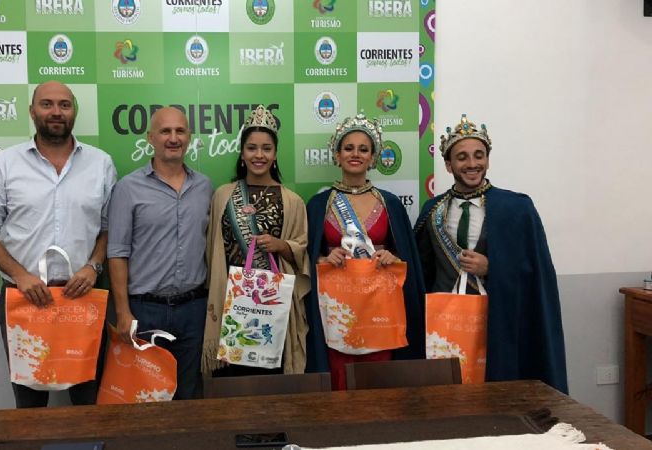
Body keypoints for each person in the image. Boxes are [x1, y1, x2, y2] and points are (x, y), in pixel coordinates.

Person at [0, 81, 117, 408]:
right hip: (25, 299)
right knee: (30, 405)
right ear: (32, 111)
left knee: (87, 400)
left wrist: (94, 266)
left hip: (82, 298)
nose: (56, 112)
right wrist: (21, 275)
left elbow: (109, 229)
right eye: (47, 104)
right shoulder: (6, 164)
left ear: (74, 112)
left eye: (64, 105)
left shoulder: (101, 164)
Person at [414, 114, 568, 393]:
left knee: (494, 394)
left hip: (498, 323)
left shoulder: (516, 209)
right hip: (444, 324)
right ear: (449, 165)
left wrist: (493, 267)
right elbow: (420, 270)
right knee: (446, 396)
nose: (472, 164)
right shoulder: (432, 211)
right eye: (462, 157)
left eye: (479, 155)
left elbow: (537, 274)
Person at [304, 113, 425, 390]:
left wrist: (394, 259)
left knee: (379, 378)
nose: (355, 154)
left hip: (378, 311)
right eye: (348, 148)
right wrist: (322, 259)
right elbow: (307, 257)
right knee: (338, 376)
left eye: (363, 149)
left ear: (373, 157)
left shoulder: (390, 203)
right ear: (337, 155)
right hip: (337, 312)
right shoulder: (319, 204)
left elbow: (407, 259)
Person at [107, 107, 213, 400]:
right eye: (165, 131)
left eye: (180, 131)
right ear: (150, 137)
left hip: (194, 309)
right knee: (145, 398)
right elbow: (117, 252)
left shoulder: (204, 187)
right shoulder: (128, 188)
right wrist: (123, 312)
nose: (173, 138)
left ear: (189, 137)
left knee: (189, 394)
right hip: (145, 311)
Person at [202, 105, 310, 377]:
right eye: (252, 148)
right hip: (232, 306)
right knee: (232, 386)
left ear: (275, 154)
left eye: (266, 148)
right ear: (242, 152)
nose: (259, 155)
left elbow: (302, 251)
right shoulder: (223, 195)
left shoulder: (292, 201)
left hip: (273, 309)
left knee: (272, 387)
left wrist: (281, 246)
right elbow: (211, 251)